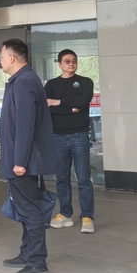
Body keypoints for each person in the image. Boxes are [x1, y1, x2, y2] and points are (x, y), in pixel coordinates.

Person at [0, 39, 57, 273]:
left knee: (30, 210)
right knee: (25, 207)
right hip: (21, 159)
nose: (0, 61)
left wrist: (20, 161)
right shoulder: (23, 80)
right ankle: (27, 253)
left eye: (1, 56)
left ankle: (37, 262)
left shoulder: (24, 82)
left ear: (12, 58)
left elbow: (25, 126)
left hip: (23, 161)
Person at [45, 49, 96, 234]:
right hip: (57, 137)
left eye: (74, 60)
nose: (71, 63)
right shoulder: (51, 84)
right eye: (67, 61)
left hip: (79, 135)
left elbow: (82, 101)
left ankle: (87, 217)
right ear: (59, 64)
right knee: (62, 179)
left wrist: (58, 102)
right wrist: (69, 108)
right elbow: (46, 106)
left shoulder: (85, 82)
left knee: (84, 179)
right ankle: (65, 214)